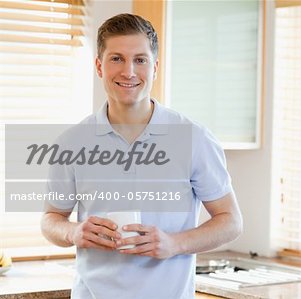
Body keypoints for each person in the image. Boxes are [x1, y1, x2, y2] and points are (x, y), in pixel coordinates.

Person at [41, 13, 243, 299]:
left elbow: (231, 220)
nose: (129, 72)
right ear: (99, 66)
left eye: (140, 60)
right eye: (116, 59)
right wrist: (73, 232)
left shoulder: (194, 138)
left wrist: (174, 243)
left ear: (155, 67)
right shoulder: (71, 143)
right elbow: (51, 219)